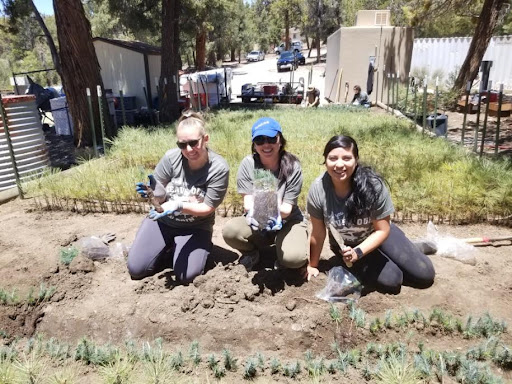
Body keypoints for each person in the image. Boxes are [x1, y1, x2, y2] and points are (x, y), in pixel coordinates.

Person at [306, 135, 435, 294]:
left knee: (425, 275)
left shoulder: (373, 185)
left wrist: (359, 252)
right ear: (325, 160)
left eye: (346, 158)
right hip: (348, 247)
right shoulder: (318, 190)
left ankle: (411, 249)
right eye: (333, 158)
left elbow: (382, 230)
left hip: (380, 235)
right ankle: (402, 256)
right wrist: (313, 265)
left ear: (356, 159)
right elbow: (318, 233)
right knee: (392, 281)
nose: (339, 164)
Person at [128, 111, 229, 284]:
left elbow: (207, 208)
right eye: (182, 145)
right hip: (163, 222)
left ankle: (200, 246)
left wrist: (178, 205)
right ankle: (167, 247)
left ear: (205, 139)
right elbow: (159, 196)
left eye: (193, 143)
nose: (188, 150)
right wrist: (153, 194)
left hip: (196, 226)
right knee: (136, 269)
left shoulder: (218, 168)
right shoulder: (171, 158)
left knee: (186, 277)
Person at [222, 117, 308, 271]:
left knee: (293, 259)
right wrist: (258, 212)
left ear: (280, 140)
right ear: (254, 145)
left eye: (271, 139)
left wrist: (265, 206)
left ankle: (286, 251)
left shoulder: (293, 166)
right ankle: (253, 253)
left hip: (288, 221)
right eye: (260, 140)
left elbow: (287, 210)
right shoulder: (248, 164)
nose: (266, 144)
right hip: (258, 218)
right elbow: (248, 204)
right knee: (231, 231)